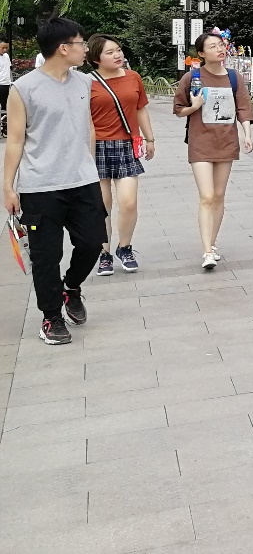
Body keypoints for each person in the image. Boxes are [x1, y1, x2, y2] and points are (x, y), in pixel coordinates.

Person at [2, 18, 104, 345]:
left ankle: (70, 287)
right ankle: (51, 317)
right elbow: (15, 140)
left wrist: (88, 163)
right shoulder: (24, 89)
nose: (85, 49)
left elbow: (88, 125)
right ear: (63, 48)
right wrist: (8, 186)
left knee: (92, 242)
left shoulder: (84, 82)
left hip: (82, 180)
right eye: (81, 43)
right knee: (46, 256)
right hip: (40, 185)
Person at [173, 32, 253, 270]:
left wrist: (247, 134)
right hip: (200, 142)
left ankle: (212, 242)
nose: (219, 49)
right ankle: (207, 251)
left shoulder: (233, 77)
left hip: (226, 141)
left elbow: (243, 107)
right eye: (212, 46)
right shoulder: (192, 77)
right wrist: (195, 107)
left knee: (218, 196)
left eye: (220, 45)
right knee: (207, 196)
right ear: (201, 53)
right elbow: (178, 109)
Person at [87, 35, 154, 274]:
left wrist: (149, 138)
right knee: (101, 205)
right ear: (96, 58)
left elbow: (140, 109)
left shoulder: (133, 77)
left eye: (118, 50)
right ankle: (104, 253)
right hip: (96, 147)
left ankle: (124, 248)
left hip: (126, 145)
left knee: (128, 202)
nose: (117, 55)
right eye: (110, 52)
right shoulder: (86, 82)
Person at [0, 41, 10, 136]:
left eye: (6, 47)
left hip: (6, 84)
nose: (5, 50)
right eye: (3, 48)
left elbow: (8, 69)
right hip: (0, 84)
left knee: (5, 106)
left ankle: (4, 127)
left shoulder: (6, 56)